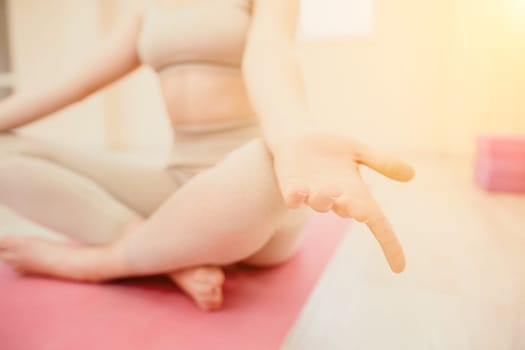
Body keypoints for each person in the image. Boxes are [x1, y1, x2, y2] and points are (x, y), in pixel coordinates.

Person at [0, 0, 414, 311]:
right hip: (180, 189)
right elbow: (75, 84)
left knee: (270, 158)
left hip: (251, 194)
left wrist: (293, 136)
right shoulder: (146, 9)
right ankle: (163, 252)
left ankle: (102, 263)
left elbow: (271, 54)